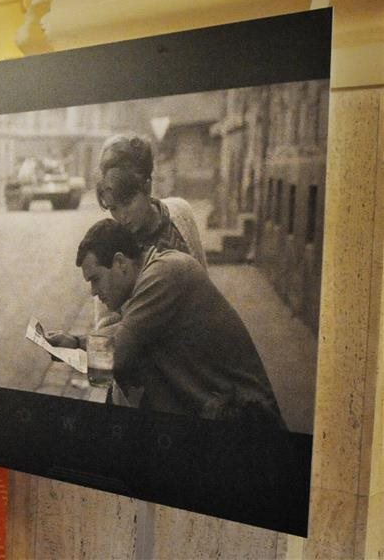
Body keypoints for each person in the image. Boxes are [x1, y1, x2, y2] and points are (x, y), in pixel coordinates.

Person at [47, 219, 285, 427]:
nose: (93, 291)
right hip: (224, 407)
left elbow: (115, 357)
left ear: (120, 262)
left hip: (247, 417)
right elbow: (125, 330)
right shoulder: (155, 272)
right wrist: (74, 342)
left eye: (96, 279)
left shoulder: (163, 275)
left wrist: (72, 353)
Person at [95, 134, 207, 268]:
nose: (122, 216)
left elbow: (202, 272)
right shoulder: (118, 248)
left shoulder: (180, 213)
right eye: (113, 208)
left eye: (127, 203)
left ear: (147, 188)